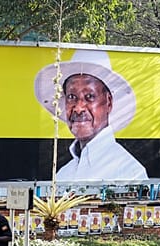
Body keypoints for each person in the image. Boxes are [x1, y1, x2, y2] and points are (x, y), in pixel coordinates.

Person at [34, 49, 147, 182]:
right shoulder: (63, 174)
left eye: (89, 96)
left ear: (109, 102)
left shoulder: (129, 172)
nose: (78, 108)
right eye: (71, 97)